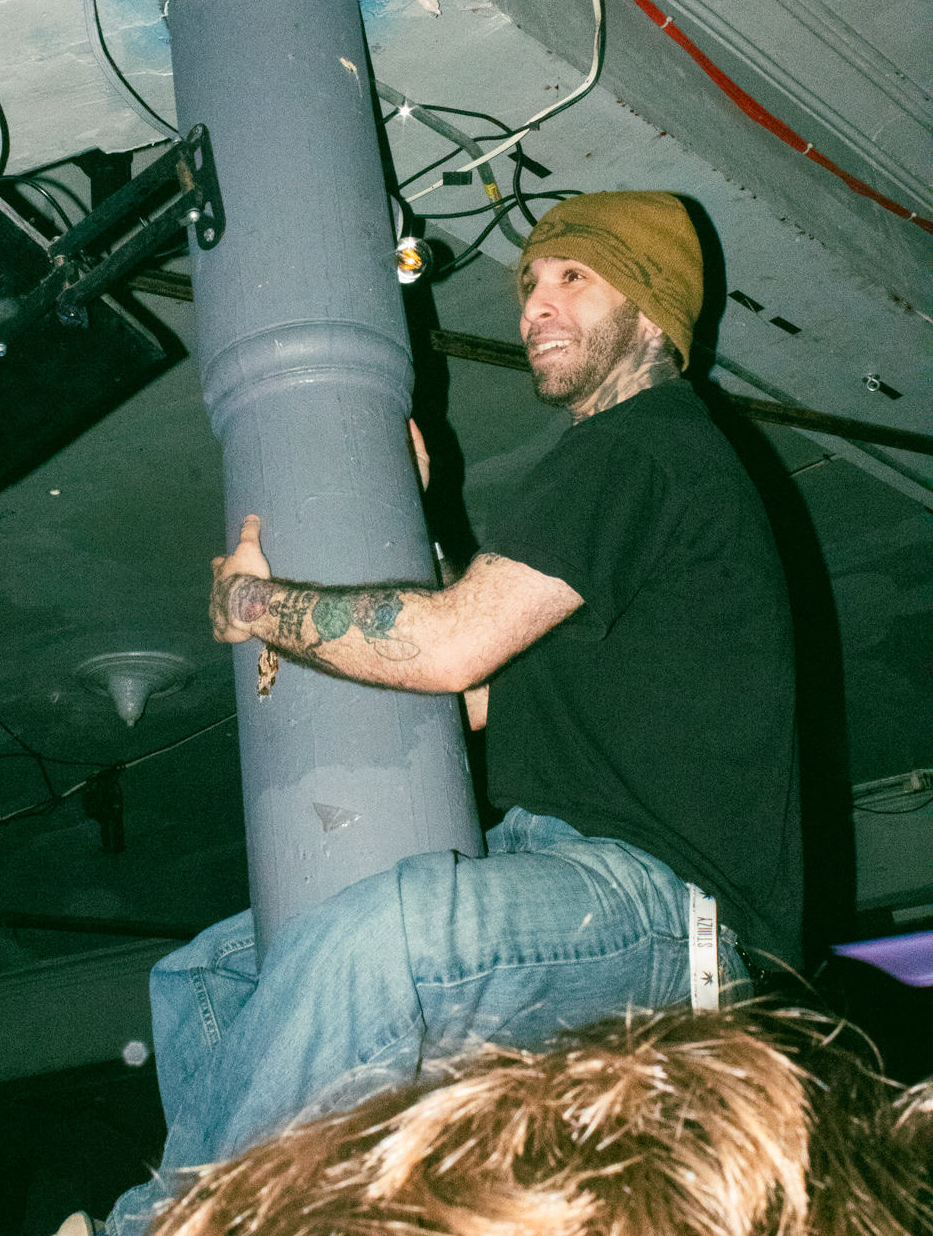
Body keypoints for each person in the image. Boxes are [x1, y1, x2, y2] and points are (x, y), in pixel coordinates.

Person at [103, 190, 803, 1234]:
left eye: (574, 279)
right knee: (210, 973)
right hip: (570, 868)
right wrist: (421, 511)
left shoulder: (650, 443)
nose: (534, 306)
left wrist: (254, 606)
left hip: (669, 910)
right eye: (529, 283)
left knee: (383, 945)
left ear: (652, 307)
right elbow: (475, 694)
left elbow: (446, 649)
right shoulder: (622, 480)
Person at [142, 1003, 933, 1236]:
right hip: (601, 844)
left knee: (359, 948)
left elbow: (452, 661)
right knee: (234, 971)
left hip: (668, 885)